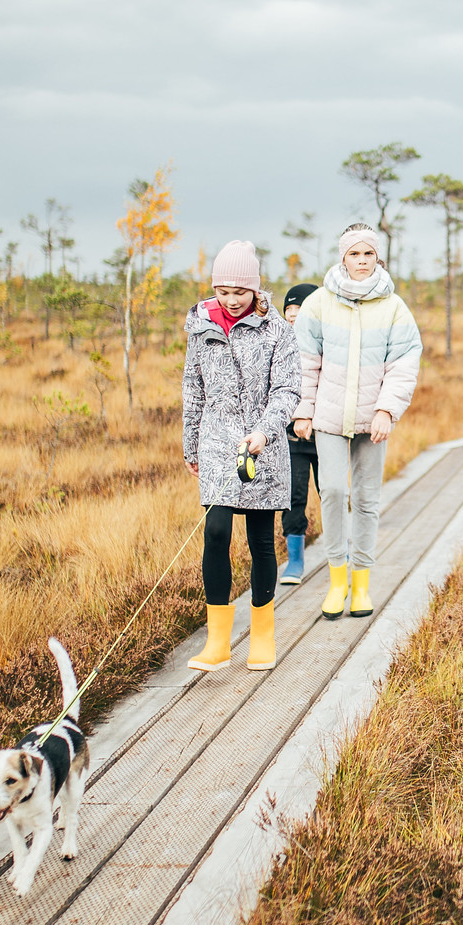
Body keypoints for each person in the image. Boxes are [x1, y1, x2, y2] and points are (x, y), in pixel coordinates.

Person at [291, 224, 422, 620]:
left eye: (368, 254)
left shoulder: (394, 307)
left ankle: (361, 582)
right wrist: (302, 410)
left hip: (373, 420)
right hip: (328, 416)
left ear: (377, 257)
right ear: (342, 257)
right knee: (331, 490)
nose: (361, 261)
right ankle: (336, 581)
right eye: (354, 254)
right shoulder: (319, 304)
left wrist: (386, 410)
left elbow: (403, 364)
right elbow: (303, 361)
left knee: (366, 499)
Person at [181, 240, 300, 672]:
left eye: (239, 291)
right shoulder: (200, 329)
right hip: (215, 442)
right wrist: (190, 443)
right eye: (223, 290)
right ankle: (217, 642)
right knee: (215, 531)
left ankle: (262, 637)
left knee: (260, 540)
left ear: (255, 289)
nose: (231, 300)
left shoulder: (277, 332)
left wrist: (266, 431)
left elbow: (287, 390)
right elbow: (193, 388)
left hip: (260, 447)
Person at [278, 281, 321, 585]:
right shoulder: (278, 346)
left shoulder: (328, 344)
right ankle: (295, 560)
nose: (292, 315)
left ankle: (340, 552)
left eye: (299, 308)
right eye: (288, 310)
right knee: (294, 496)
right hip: (291, 438)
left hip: (326, 433)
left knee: (332, 492)